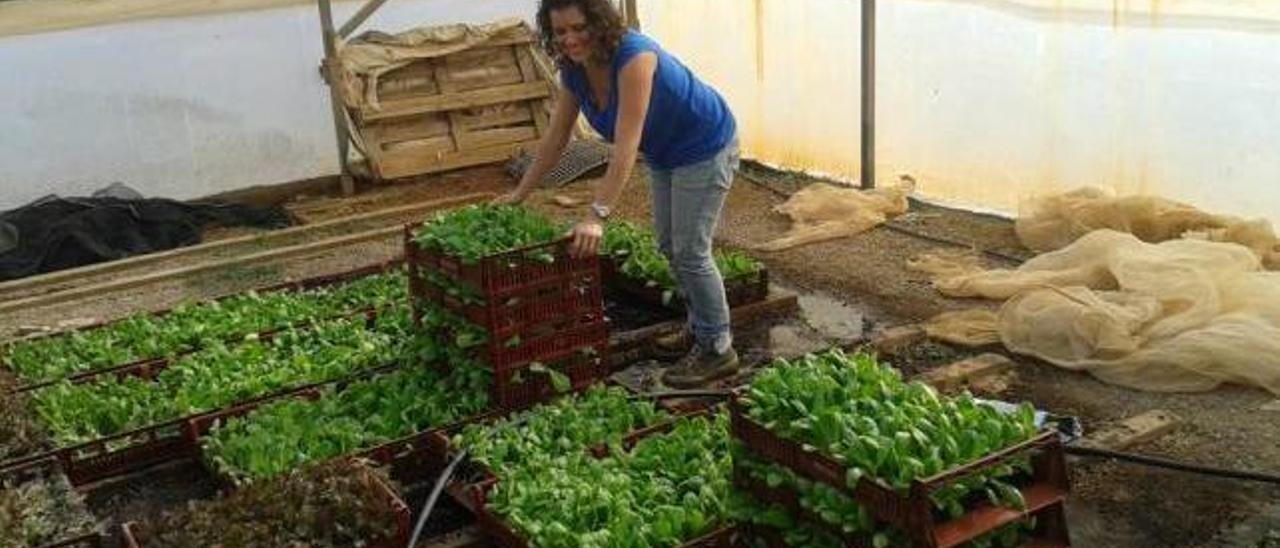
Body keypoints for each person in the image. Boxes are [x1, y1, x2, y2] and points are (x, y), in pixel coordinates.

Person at [494, 0, 740, 388]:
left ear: (599, 22)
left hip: (704, 146)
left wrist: (596, 215)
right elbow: (557, 138)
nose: (570, 39)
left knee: (690, 251)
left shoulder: (634, 57)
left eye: (578, 28)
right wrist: (519, 193)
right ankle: (701, 326)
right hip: (664, 151)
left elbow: (625, 148)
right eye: (560, 32)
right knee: (668, 245)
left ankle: (718, 348)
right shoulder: (574, 70)